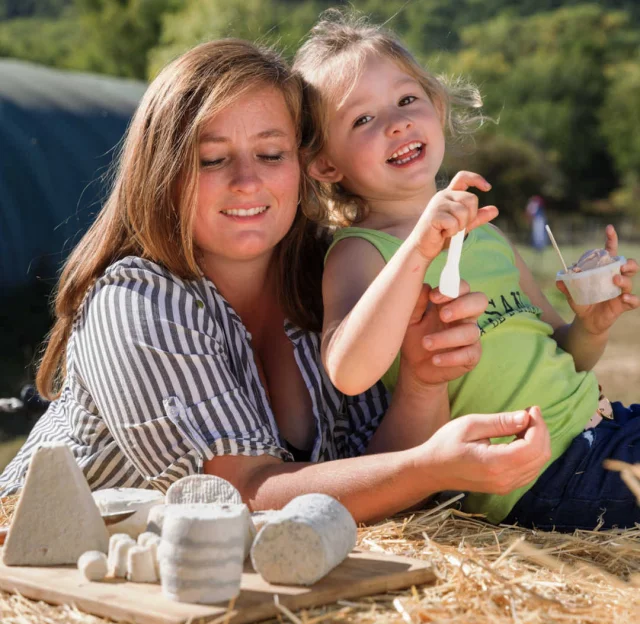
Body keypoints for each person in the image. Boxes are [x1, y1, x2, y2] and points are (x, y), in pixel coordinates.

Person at [0, 39, 551, 525]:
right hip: (59, 574)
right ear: (161, 172)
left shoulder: (330, 280)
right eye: (213, 159)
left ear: (306, 166)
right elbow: (234, 496)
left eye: (271, 154)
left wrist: (422, 387)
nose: (248, 181)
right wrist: (427, 466)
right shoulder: (137, 300)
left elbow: (376, 475)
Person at [293, 11, 640, 531]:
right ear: (325, 165)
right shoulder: (361, 253)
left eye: (407, 100)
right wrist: (418, 249)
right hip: (542, 476)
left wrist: (591, 324)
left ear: (435, 106)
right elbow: (349, 370)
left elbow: (565, 354)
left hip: (607, 428)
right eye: (362, 120)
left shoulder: (486, 232)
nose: (397, 122)